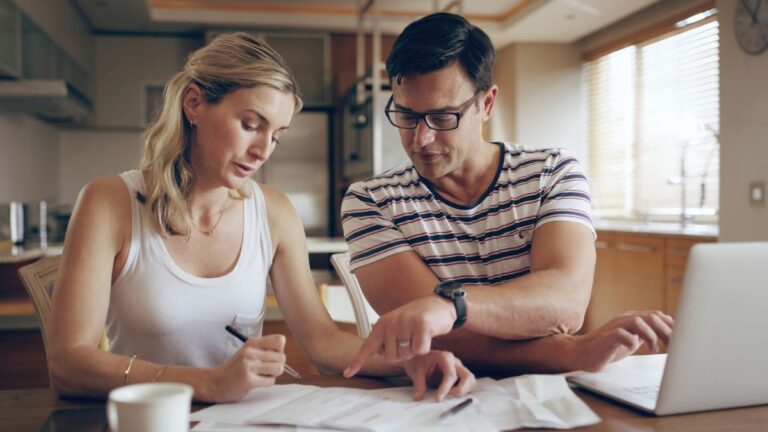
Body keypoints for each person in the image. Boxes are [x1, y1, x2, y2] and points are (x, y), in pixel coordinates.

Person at [47, 32, 475, 404]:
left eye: (276, 135)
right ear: (194, 103)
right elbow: (68, 364)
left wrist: (410, 362)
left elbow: (323, 342)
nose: (263, 150)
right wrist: (210, 382)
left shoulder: (273, 211)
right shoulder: (109, 203)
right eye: (251, 124)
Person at [341, 13, 674, 378]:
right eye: (406, 115)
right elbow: (434, 339)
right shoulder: (369, 201)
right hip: (435, 393)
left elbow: (565, 302)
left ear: (486, 103)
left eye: (442, 117)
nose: (420, 139)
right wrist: (571, 352)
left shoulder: (552, 172)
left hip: (550, 396)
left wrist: (451, 306)